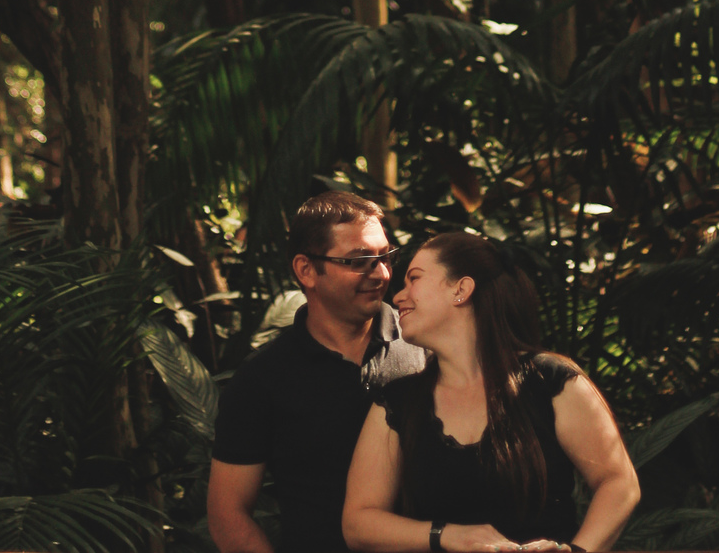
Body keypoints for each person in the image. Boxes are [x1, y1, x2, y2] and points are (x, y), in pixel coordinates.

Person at [342, 232, 640, 553]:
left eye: (414, 278)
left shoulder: (549, 379)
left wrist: (579, 551)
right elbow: (359, 523)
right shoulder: (397, 403)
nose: (398, 296)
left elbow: (618, 483)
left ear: (461, 289)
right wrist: (448, 536)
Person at [208, 192, 426, 553]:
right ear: (306, 270)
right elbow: (227, 514)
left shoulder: (424, 346)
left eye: (386, 256)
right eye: (361, 261)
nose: (382, 273)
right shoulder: (262, 378)